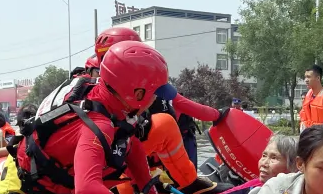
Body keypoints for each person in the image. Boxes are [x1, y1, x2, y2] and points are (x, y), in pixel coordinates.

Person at [13, 41, 175, 194]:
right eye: (154, 93)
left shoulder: (112, 102)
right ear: (137, 94)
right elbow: (87, 189)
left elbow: (131, 144)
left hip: (70, 176)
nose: (156, 99)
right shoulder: (98, 123)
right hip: (49, 192)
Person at [93, 25, 226, 165]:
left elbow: (185, 104)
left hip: (154, 154)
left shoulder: (152, 85)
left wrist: (218, 115)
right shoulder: (94, 92)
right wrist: (218, 115)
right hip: (132, 156)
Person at [201, 134, 298, 194]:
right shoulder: (253, 186)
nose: (264, 163)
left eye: (274, 158)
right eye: (264, 156)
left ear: (295, 165)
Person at [299, 65, 323, 130]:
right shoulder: (308, 95)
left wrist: (321, 133)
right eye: (305, 77)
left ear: (318, 78)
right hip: (308, 131)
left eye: (308, 77)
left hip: (321, 132)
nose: (306, 80)